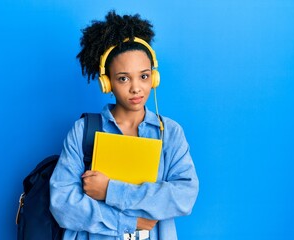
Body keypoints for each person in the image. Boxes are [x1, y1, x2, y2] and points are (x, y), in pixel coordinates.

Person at [50, 10, 199, 240]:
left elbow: (184, 196)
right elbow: (62, 204)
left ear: (154, 77)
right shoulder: (83, 131)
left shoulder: (169, 133)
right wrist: (129, 222)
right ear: (106, 82)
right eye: (123, 78)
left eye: (144, 76)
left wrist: (110, 190)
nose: (136, 88)